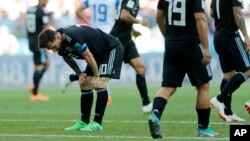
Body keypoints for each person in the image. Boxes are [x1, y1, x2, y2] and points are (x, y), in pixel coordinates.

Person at [148, 0, 219, 138]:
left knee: (168, 86)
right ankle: (203, 128)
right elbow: (200, 18)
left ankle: (155, 114)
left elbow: (158, 16)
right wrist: (205, 47)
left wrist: (168, 37)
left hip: (171, 44)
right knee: (203, 85)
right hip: (191, 44)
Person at [38, 24, 124, 131]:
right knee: (84, 84)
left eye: (54, 47)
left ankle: (97, 123)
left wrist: (97, 76)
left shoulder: (73, 35)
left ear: (57, 37)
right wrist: (79, 74)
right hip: (96, 55)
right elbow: (67, 58)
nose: (54, 50)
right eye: (51, 49)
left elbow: (87, 55)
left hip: (110, 49)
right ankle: (84, 122)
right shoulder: (59, 44)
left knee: (100, 83)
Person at [60, 0, 120, 105]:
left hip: (95, 30)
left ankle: (71, 77)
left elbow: (78, 10)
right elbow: (121, 14)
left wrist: (88, 22)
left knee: (101, 65)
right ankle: (106, 95)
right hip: (108, 33)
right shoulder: (115, 1)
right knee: (104, 65)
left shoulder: (91, 1)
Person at [210, 0, 250, 122]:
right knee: (248, 70)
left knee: (229, 74)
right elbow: (237, 14)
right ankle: (219, 99)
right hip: (231, 36)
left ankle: (227, 111)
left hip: (218, 36)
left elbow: (212, 13)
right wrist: (246, 36)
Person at [110, 0, 152, 114]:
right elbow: (124, 16)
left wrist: (133, 30)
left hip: (126, 38)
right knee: (103, 71)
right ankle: (73, 77)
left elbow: (122, 18)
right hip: (118, 39)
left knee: (141, 68)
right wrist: (141, 21)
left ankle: (146, 104)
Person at [26, 0, 53, 101]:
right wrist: (48, 42)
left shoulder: (30, 10)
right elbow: (46, 28)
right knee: (40, 66)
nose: (47, 1)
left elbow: (27, 26)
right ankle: (35, 93)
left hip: (31, 39)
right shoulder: (42, 12)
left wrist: (29, 38)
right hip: (38, 41)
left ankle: (34, 86)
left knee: (45, 64)